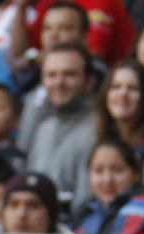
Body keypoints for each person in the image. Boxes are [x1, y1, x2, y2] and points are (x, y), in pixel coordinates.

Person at [18, 44, 100, 203]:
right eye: (51, 75)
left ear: (90, 82)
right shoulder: (44, 128)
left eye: (69, 74)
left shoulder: (99, 129)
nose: (59, 82)